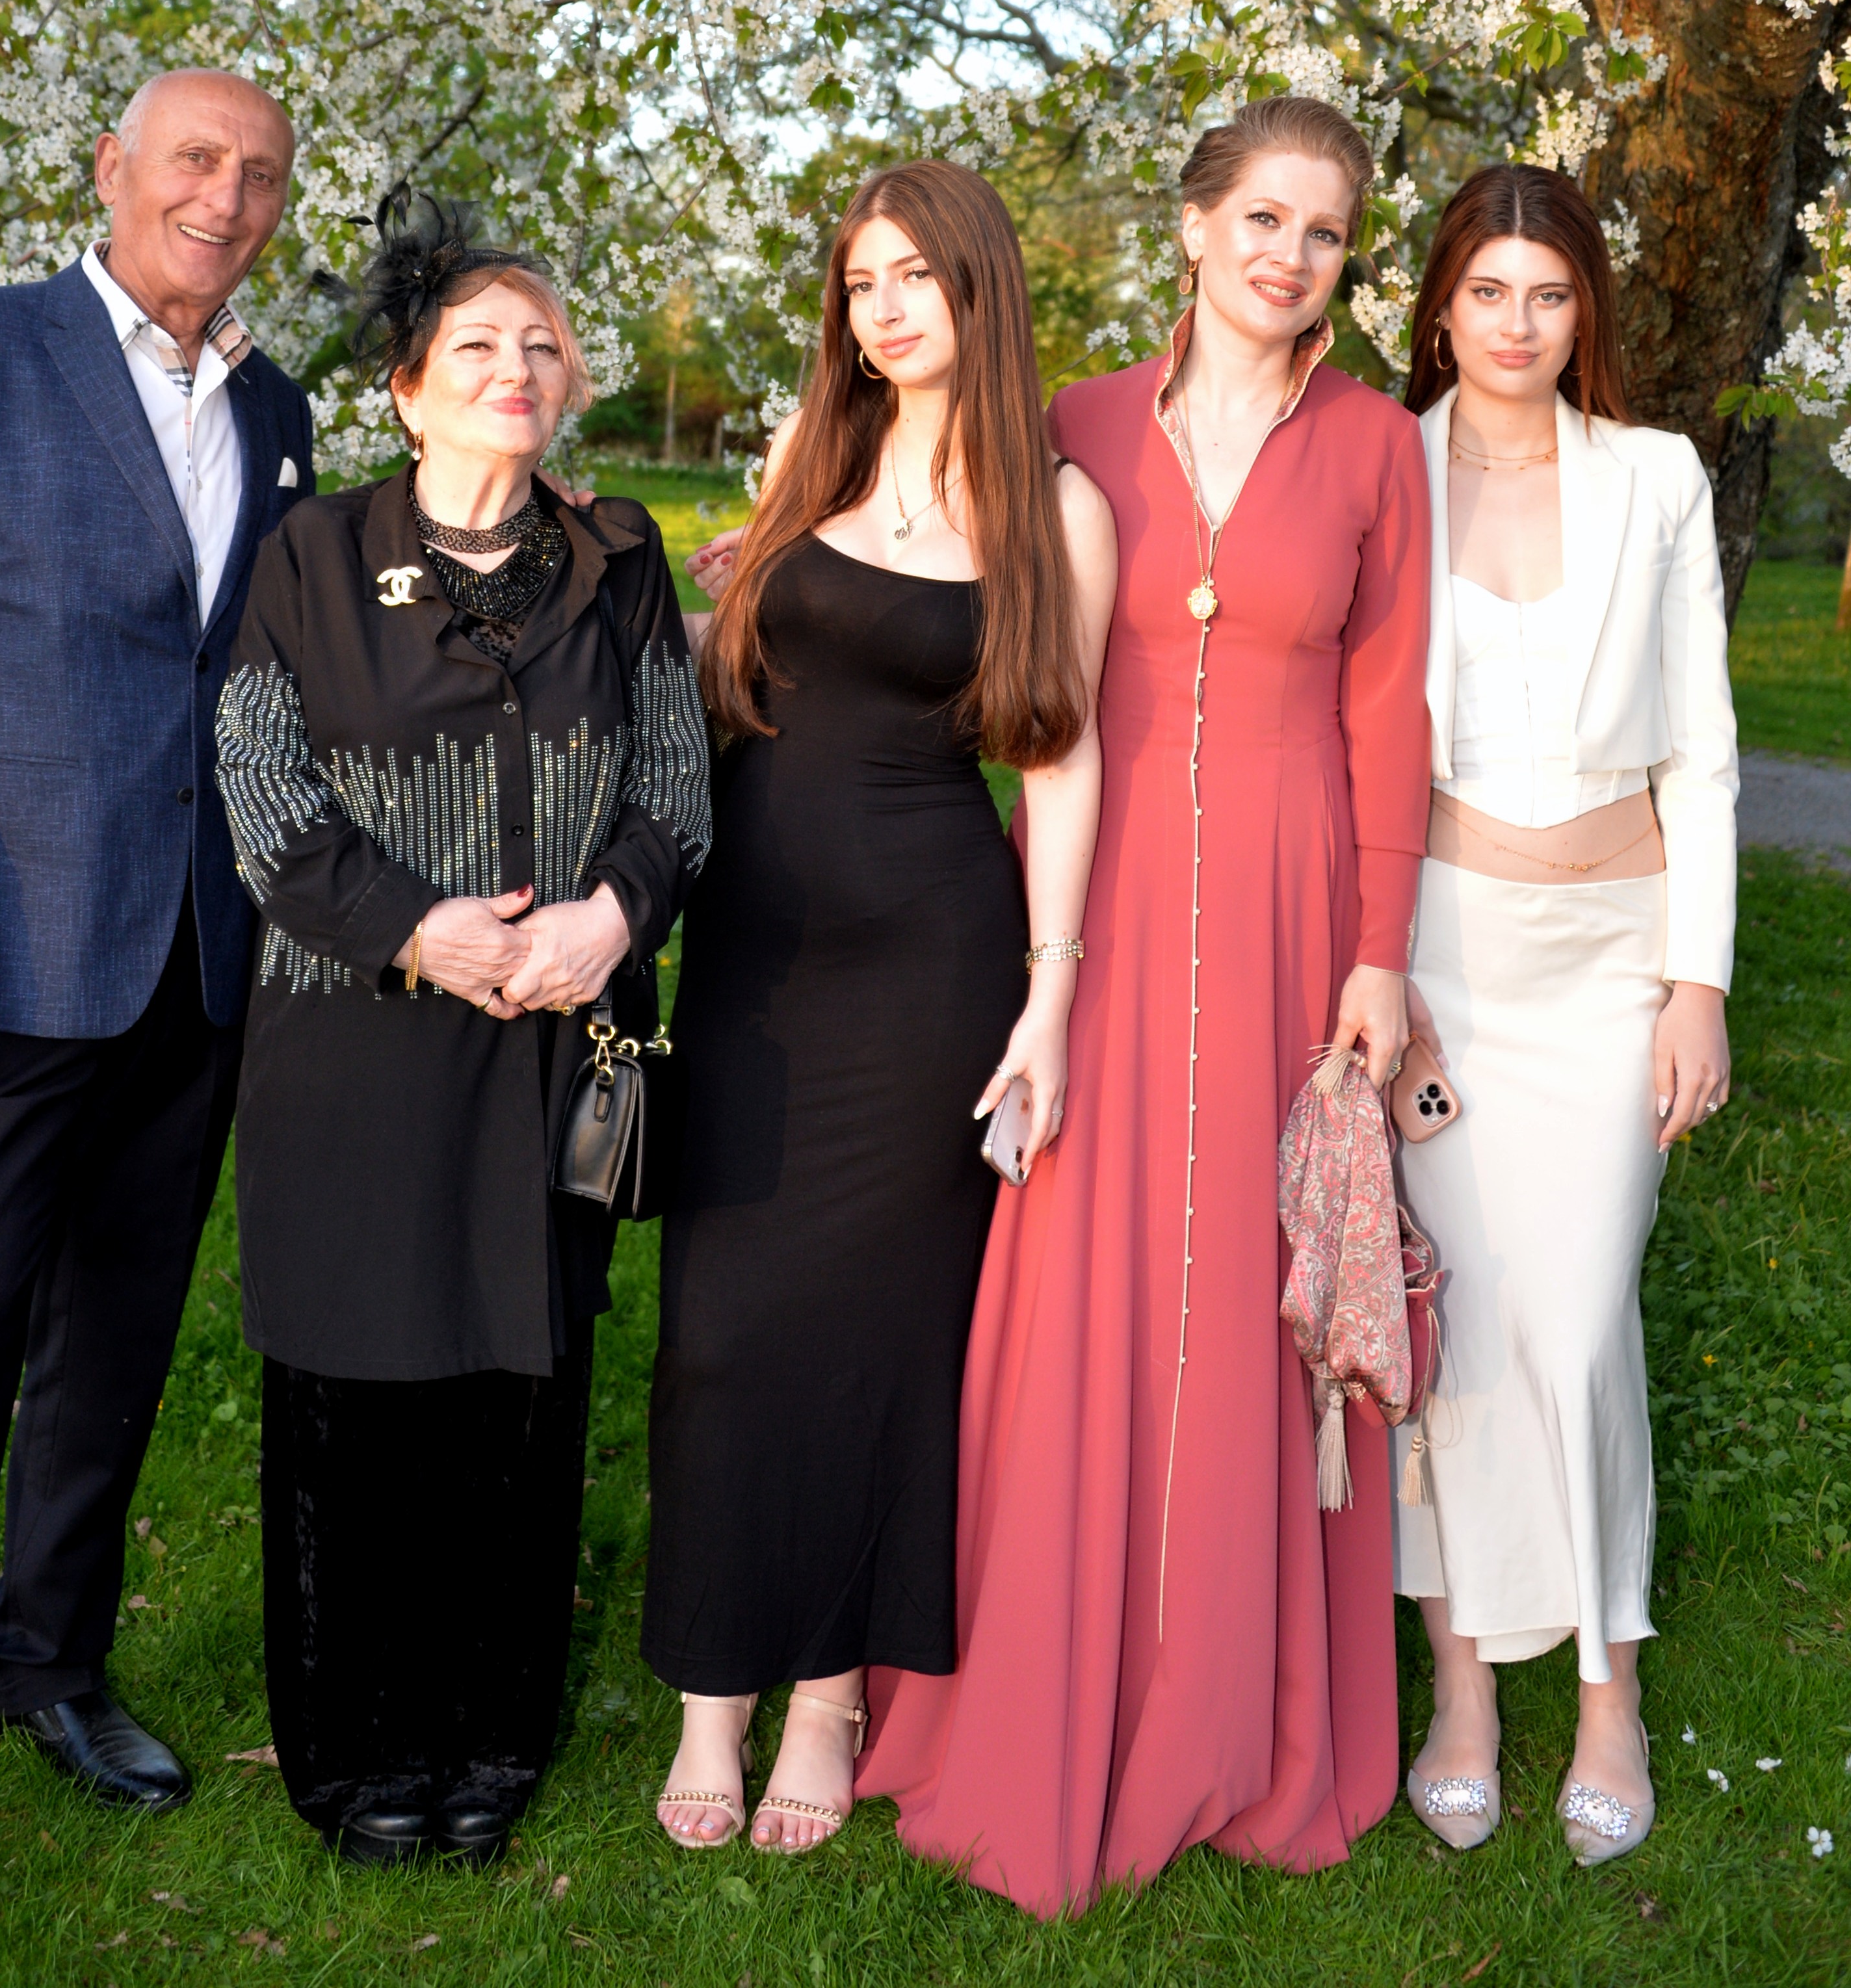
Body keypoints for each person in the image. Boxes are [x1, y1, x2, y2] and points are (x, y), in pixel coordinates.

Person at [858, 94, 1431, 1913]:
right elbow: (921, 535)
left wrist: (1378, 948)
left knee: (1255, 1269)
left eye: (1324, 233)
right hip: (1087, 897)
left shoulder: (1375, 445)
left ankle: (1243, 1705)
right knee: (1086, 1262)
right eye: (1262, 218)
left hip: (1289, 895)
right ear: (1193, 227)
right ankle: (1050, 1670)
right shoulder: (1079, 419)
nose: (1289, 256)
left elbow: (1391, 707)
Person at [0, 71, 313, 1987]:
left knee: (112, 1347)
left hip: (194, 966)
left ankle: (50, 1664)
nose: (225, 197)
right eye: (193, 161)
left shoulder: (274, 409)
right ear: (112, 171)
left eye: (258, 175)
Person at [214, 191, 710, 1871]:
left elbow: (676, 782)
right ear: (408, 389)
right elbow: (261, 785)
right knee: (354, 1407)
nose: (517, 368)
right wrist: (419, 927)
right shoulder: (312, 556)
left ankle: (492, 1729)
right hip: (356, 1044)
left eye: (542, 346)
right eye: (478, 345)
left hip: (556, 1044)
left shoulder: (617, 559)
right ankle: (358, 1746)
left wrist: (610, 916)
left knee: (518, 1397)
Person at [645, 160, 1118, 1856]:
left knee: (872, 1338)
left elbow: (1061, 760)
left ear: (982, 287)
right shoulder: (815, 454)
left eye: (917, 274)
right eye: (862, 281)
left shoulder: (1058, 507)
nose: (887, 307)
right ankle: (710, 1689)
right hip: (754, 956)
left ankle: (827, 1697)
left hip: (931, 965)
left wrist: (1050, 996)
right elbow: (737, 671)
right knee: (719, 1329)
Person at [1390, 165, 1736, 1866]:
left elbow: (1706, 752)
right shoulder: (1384, 470)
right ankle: (1462, 1682)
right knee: (1460, 1331)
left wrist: (1698, 982)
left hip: (1611, 957)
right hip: (1438, 957)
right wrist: (1373, 979)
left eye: (1548, 292)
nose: (1517, 324)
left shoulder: (1656, 476)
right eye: (1487, 292)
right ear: (1440, 307)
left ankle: (1609, 1683)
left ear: (1583, 304)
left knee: (1586, 1324)